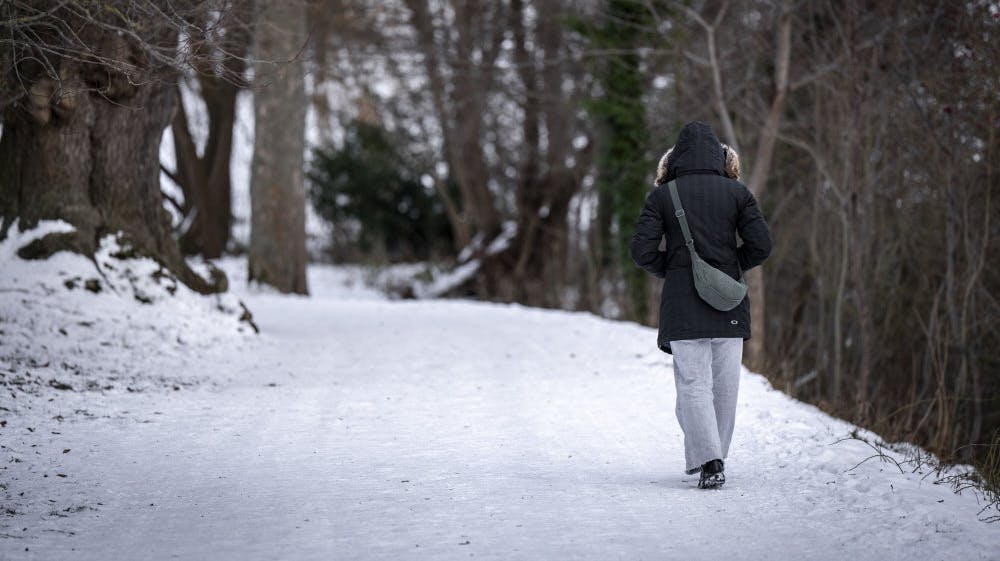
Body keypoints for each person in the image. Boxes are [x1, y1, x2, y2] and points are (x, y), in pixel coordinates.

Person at [629, 121, 771, 489]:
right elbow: (761, 246)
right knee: (725, 387)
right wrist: (728, 268)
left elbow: (641, 251)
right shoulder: (737, 194)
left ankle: (709, 460)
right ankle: (715, 458)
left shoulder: (662, 197)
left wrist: (677, 271)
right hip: (728, 302)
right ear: (722, 157)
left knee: (693, 384)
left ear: (673, 160)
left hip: (681, 304)